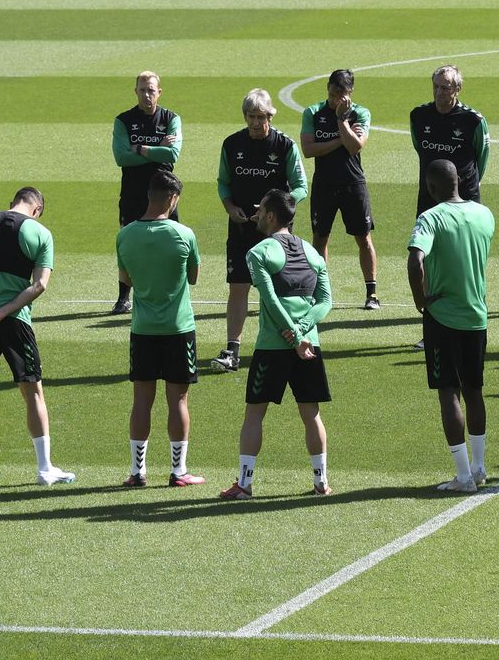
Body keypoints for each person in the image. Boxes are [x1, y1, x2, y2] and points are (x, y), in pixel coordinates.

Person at [218, 189, 334, 500]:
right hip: (310, 345)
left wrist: (293, 336)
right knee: (311, 413)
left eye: (261, 210)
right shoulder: (311, 252)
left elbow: (269, 300)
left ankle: (244, 484)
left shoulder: (258, 253)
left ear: (271, 216)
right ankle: (321, 482)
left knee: (254, 414)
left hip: (274, 345)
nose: (256, 214)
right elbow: (325, 301)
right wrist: (303, 330)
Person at [0, 187, 74, 486]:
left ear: (14, 202)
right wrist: (5, 310)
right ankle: (45, 469)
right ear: (37, 210)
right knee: (33, 392)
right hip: (15, 321)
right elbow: (39, 285)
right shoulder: (40, 233)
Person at [407, 160, 494, 492]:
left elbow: (416, 260)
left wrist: (421, 299)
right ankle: (480, 467)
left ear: (430, 188)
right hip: (477, 316)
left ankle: (462, 477)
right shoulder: (484, 214)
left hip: (442, 316)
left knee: (448, 392)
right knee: (474, 391)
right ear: (459, 181)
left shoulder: (430, 218)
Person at [115, 171, 204, 488]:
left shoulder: (125, 235)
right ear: (172, 198)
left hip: (143, 329)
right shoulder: (184, 234)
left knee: (141, 400)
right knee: (178, 401)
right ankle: (178, 472)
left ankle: (137, 472)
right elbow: (193, 277)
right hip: (179, 329)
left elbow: (126, 279)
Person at [212, 88, 308, 373]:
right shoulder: (231, 145)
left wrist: (273, 208)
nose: (255, 122)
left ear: (270, 116)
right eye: (251, 116)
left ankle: (288, 344)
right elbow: (223, 182)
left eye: (261, 117)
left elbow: (301, 187)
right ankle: (232, 350)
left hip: (277, 232)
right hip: (241, 228)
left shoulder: (285, 146)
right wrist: (230, 207)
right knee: (238, 286)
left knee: (280, 291)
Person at [301, 69, 378, 310]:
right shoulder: (312, 112)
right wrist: (340, 139)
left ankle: (372, 293)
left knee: (363, 238)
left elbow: (355, 147)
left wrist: (341, 120)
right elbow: (308, 150)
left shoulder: (360, 113)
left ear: (350, 93)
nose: (336, 99)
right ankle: (321, 291)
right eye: (333, 93)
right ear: (328, 88)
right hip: (324, 184)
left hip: (353, 183)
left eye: (341, 94)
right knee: (320, 238)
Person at [111, 71, 182, 315]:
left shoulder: (172, 119)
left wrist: (138, 149)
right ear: (136, 92)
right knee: (128, 246)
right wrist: (156, 149)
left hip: (165, 196)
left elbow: (172, 155)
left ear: (159, 92)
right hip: (133, 193)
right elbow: (121, 157)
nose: (146, 95)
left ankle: (174, 293)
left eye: (151, 90)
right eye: (142, 90)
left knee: (170, 244)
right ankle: (123, 298)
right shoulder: (123, 121)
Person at [410, 64, 489, 213]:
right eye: (436, 86)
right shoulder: (418, 116)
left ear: (457, 89)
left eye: (445, 88)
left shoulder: (473, 120)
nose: (439, 92)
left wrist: (474, 182)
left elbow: (482, 155)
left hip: (464, 195)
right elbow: (418, 147)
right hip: (429, 195)